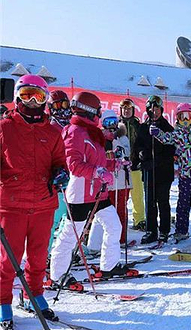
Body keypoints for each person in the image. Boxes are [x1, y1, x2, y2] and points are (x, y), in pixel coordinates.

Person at [0, 75, 67, 327]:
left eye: (38, 96)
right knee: (9, 260)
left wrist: (61, 173)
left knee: (39, 256)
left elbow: (60, 161)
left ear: (45, 100)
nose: (32, 102)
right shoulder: (4, 128)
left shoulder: (52, 132)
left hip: (43, 203)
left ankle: (33, 294)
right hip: (11, 204)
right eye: (27, 94)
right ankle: (3, 301)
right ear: (17, 96)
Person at [50, 91, 134, 290]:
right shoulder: (74, 132)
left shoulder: (91, 132)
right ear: (88, 110)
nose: (99, 114)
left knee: (114, 226)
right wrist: (97, 171)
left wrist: (115, 164)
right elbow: (74, 165)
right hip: (80, 193)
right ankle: (58, 274)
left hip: (98, 192)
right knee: (71, 235)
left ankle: (108, 265)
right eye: (97, 110)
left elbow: (100, 161)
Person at [150, 102, 191, 242]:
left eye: (187, 116)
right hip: (186, 174)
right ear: (177, 118)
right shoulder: (176, 133)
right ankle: (182, 230)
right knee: (184, 203)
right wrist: (157, 133)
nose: (185, 120)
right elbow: (166, 139)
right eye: (182, 117)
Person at [87, 110, 131, 248]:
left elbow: (127, 155)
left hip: (121, 181)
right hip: (105, 183)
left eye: (114, 123)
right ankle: (94, 243)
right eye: (108, 123)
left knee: (120, 210)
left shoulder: (122, 139)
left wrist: (123, 158)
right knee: (102, 213)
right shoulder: (98, 140)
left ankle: (121, 239)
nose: (111, 127)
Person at [135, 95, 176, 244]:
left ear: (161, 110)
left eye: (157, 109)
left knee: (163, 201)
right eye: (152, 109)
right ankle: (151, 230)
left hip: (163, 171)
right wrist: (141, 154)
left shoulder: (167, 127)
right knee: (149, 202)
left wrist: (157, 161)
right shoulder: (143, 127)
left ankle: (164, 230)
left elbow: (171, 149)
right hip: (148, 171)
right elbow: (138, 144)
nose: (155, 112)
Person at [47, 90, 72, 253]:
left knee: (69, 216)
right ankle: (45, 252)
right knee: (54, 218)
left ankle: (64, 248)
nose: (62, 109)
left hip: (71, 176)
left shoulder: (70, 125)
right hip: (57, 179)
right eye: (58, 105)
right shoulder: (51, 127)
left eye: (65, 104)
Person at [119, 98, 145, 231]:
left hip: (135, 165)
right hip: (120, 167)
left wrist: (141, 154)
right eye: (124, 109)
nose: (126, 111)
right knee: (122, 195)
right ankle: (120, 221)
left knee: (137, 195)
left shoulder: (138, 125)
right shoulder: (117, 125)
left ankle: (139, 219)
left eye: (129, 109)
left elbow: (142, 142)